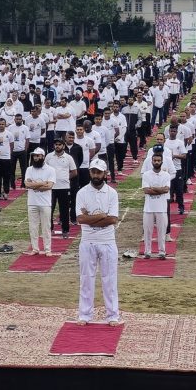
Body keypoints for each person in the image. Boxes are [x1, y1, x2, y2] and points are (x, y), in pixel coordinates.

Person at [75, 158, 120, 326]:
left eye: (99, 172)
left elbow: (113, 219)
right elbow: (80, 219)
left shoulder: (112, 193)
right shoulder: (82, 193)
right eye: (93, 171)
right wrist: (102, 216)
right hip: (88, 241)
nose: (96, 175)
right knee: (86, 279)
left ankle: (112, 315)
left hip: (107, 241)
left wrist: (91, 218)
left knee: (110, 279)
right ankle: (85, 314)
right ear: (90, 172)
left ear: (105, 173)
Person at [25, 147, 56, 255]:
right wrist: (42, 183)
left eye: (38, 156)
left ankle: (48, 249)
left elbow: (49, 186)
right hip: (32, 202)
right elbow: (27, 184)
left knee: (46, 227)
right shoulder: (29, 169)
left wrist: (34, 185)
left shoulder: (50, 170)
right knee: (33, 227)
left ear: (42, 156)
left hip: (45, 203)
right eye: (34, 156)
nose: (35, 158)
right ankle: (35, 248)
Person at [45, 138, 77, 238]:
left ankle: (65, 231)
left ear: (63, 146)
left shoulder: (68, 157)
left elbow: (74, 172)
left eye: (59, 144)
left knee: (64, 211)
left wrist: (65, 178)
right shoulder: (49, 156)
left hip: (64, 187)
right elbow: (44, 170)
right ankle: (49, 230)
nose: (57, 146)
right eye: (56, 144)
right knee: (49, 209)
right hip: (51, 188)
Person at [142, 153, 170, 259]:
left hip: (162, 208)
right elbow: (146, 190)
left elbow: (166, 189)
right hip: (148, 208)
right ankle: (147, 251)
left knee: (162, 231)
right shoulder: (146, 175)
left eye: (158, 160)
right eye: (155, 160)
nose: (157, 162)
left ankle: (162, 251)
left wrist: (153, 188)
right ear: (152, 161)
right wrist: (160, 190)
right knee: (147, 232)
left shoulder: (166, 175)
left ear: (162, 162)